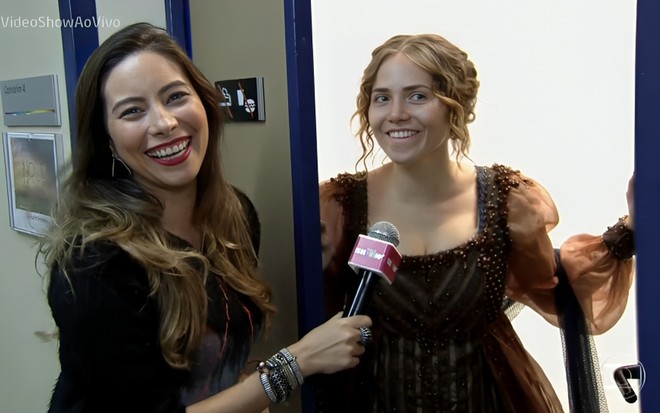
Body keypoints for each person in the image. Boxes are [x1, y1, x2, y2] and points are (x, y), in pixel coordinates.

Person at [38, 22, 372, 413]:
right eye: (132, 111)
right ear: (107, 140)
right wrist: (293, 366)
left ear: (204, 105)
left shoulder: (236, 216)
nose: (163, 123)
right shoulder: (94, 264)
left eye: (175, 96)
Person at [315, 33, 635, 412]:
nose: (396, 113)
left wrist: (631, 228)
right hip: (375, 400)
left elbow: (557, 288)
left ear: (457, 106)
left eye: (417, 96)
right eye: (382, 97)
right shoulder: (336, 206)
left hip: (487, 397)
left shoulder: (508, 201)